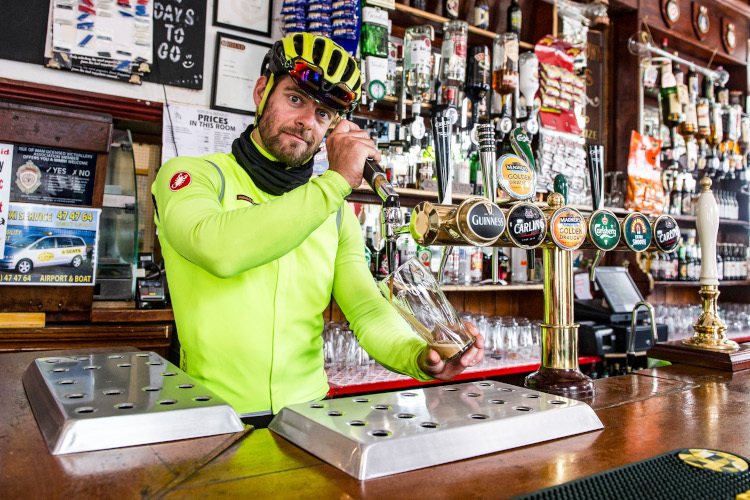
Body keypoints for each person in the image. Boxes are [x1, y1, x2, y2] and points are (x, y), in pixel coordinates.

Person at [151, 33, 484, 420]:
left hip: (309, 415)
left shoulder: (335, 212)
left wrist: (418, 356)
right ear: (262, 92)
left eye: (323, 113)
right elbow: (219, 250)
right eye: (295, 99)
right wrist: (337, 180)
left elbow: (366, 309)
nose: (307, 121)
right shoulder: (192, 176)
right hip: (213, 416)